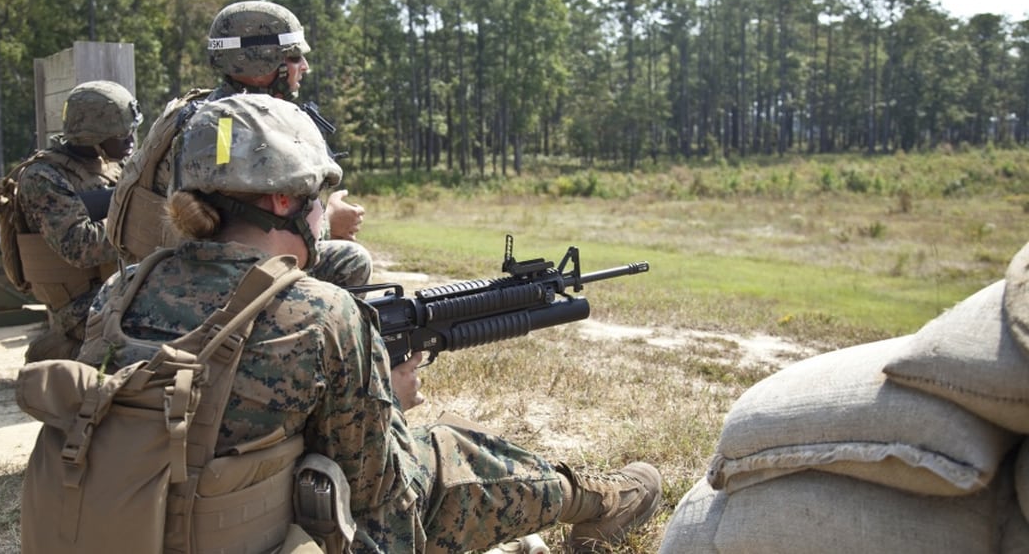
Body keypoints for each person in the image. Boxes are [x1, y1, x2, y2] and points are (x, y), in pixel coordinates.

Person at [76, 92, 662, 553]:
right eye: (318, 196)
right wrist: (393, 403)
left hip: (139, 529)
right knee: (452, 457)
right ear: (283, 200)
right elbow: (386, 507)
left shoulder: (120, 291)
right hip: (261, 532)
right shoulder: (322, 313)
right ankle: (597, 501)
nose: (321, 213)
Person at [123, 0, 370, 287]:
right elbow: (228, 231)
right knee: (350, 261)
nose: (304, 66)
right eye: (293, 57)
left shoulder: (214, 115)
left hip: (187, 267)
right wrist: (328, 220)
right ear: (262, 61)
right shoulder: (225, 128)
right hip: (207, 278)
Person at [12, 80, 140, 362]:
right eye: (121, 135)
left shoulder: (112, 166)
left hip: (119, 284)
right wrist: (142, 220)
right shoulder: (43, 177)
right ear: (91, 137)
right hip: (79, 307)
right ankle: (63, 350)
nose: (130, 140)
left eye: (132, 130)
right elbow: (80, 247)